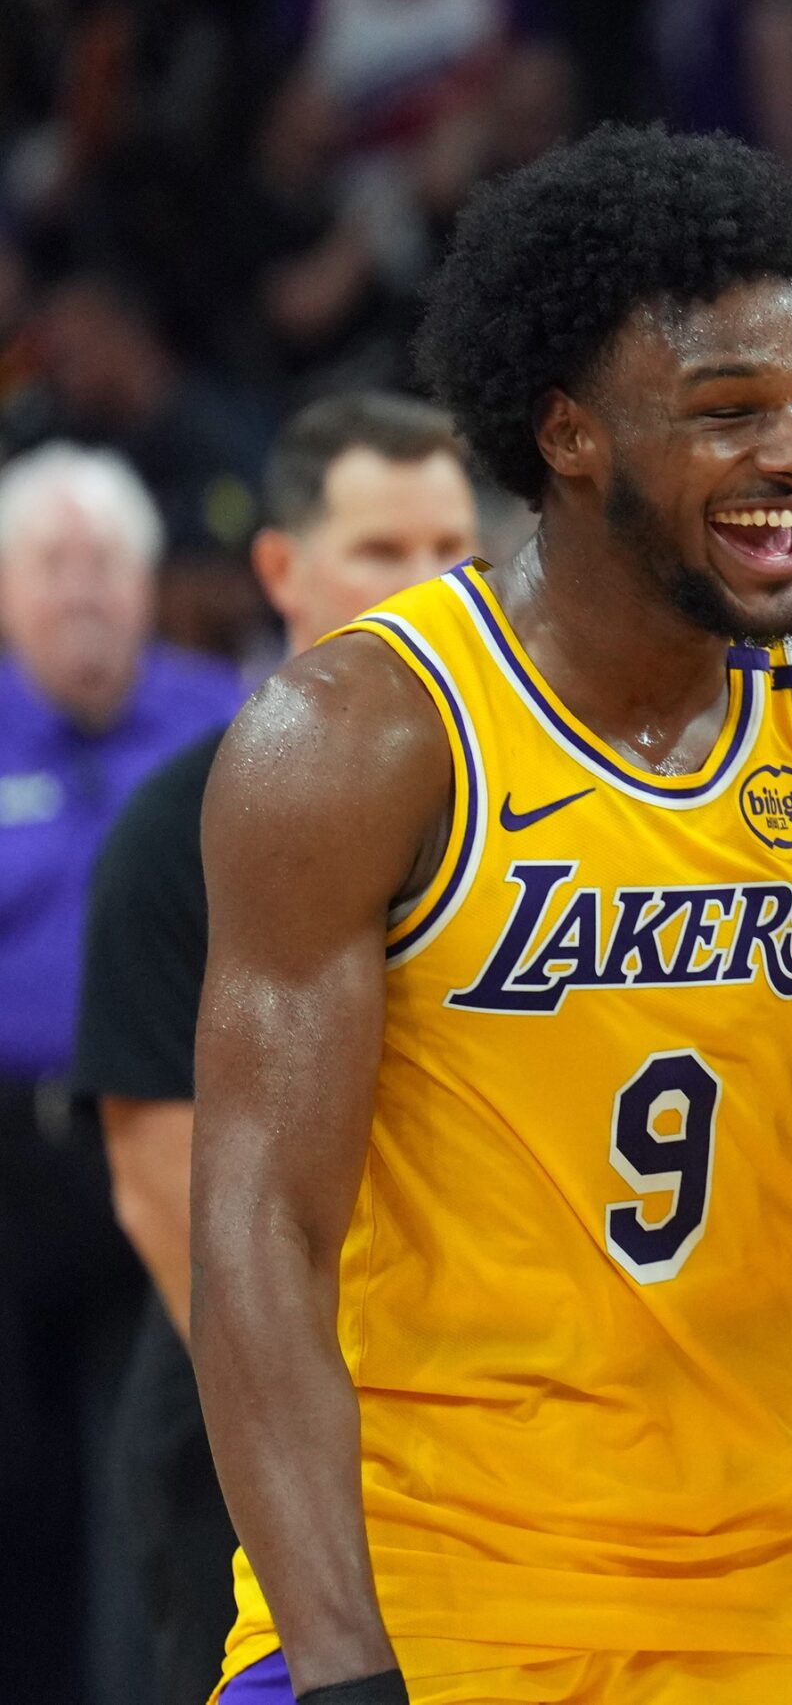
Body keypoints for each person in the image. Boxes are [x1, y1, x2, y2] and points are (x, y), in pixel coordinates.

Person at [193, 124, 792, 1705]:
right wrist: (343, 1667)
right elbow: (259, 1232)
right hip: (436, 1587)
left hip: (759, 1610)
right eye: (727, 414)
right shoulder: (363, 736)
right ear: (569, 435)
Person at [70, 391, 477, 1705]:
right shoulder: (186, 816)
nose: (422, 586)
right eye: (379, 551)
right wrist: (311, 1443)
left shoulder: (520, 791)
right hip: (244, 1434)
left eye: (450, 549)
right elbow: (160, 1189)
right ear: (280, 568)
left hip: (476, 1454)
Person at [0, 441, 239, 1702]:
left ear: (150, 585)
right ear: (4, 589)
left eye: (107, 564)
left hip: (170, 1130)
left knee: (145, 1457)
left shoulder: (225, 717)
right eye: (53, 564)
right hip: (5, 1158)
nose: (83, 590)